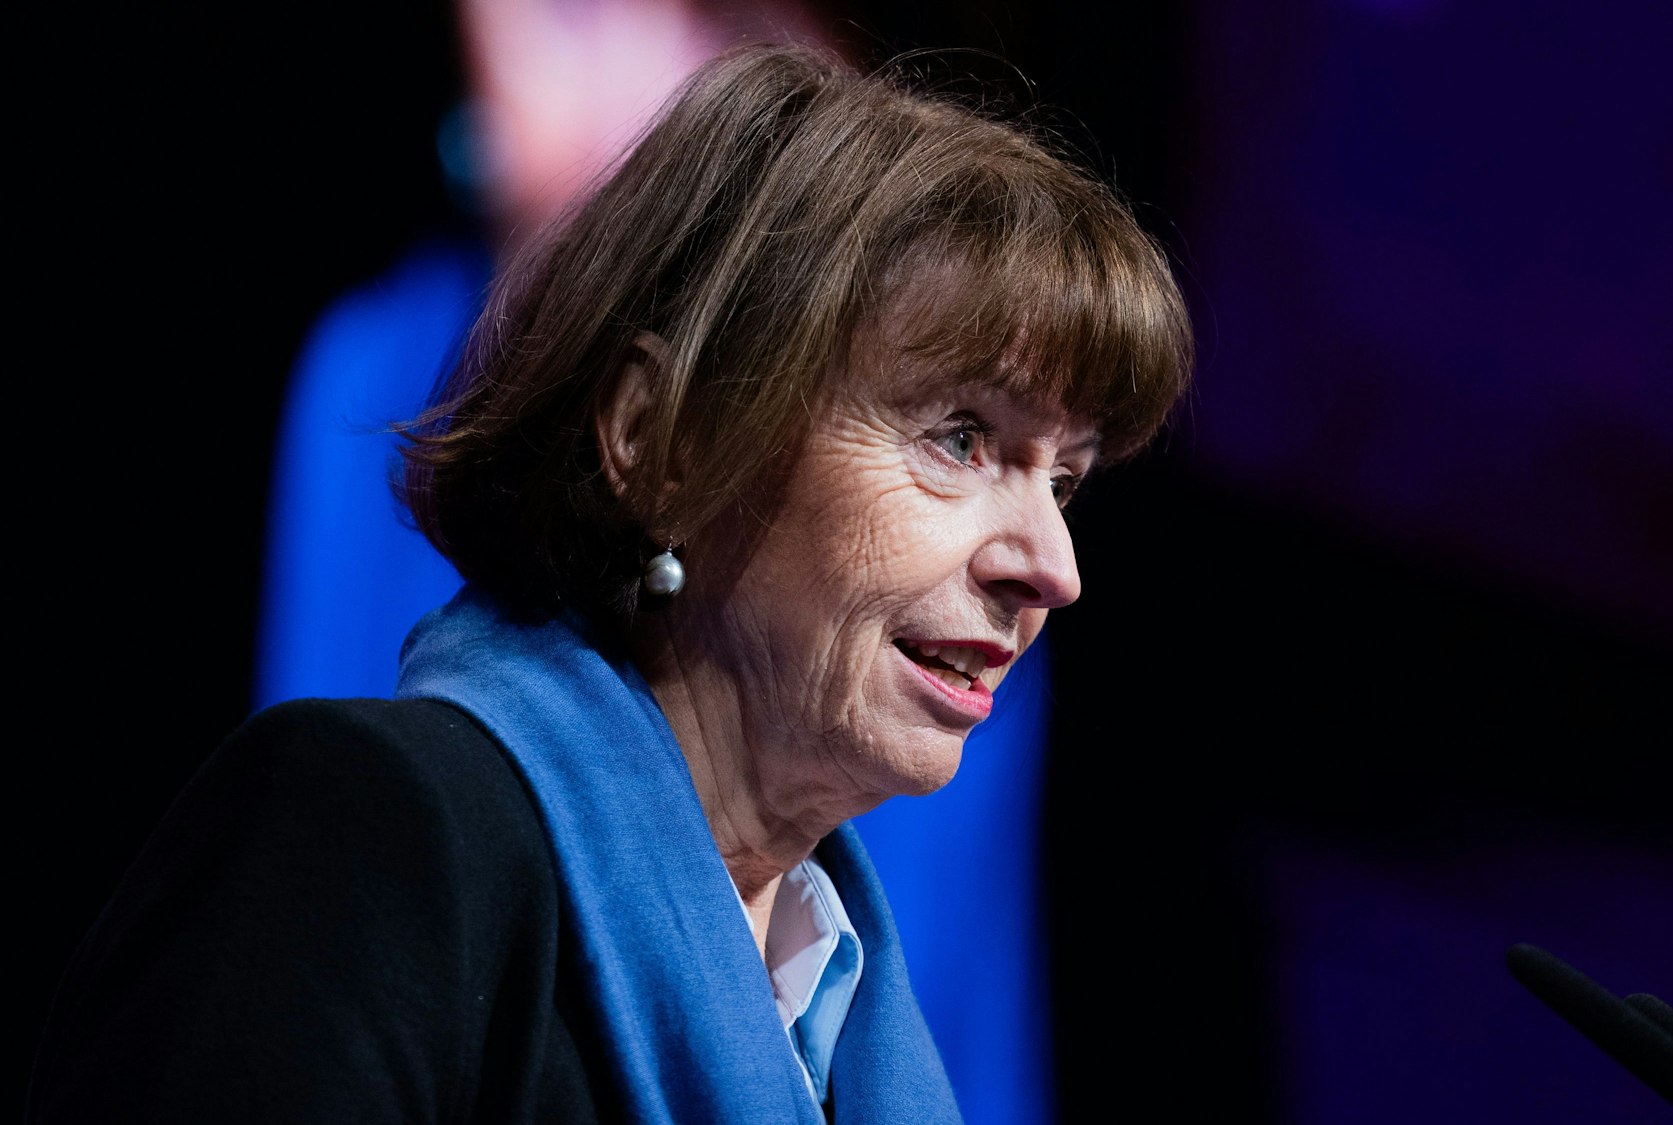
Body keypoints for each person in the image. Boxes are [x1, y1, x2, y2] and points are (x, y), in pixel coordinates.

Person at [29, 41, 1190, 1124]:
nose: (1051, 567)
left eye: (1066, 481)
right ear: (662, 438)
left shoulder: (843, 1007)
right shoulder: (373, 840)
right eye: (958, 440)